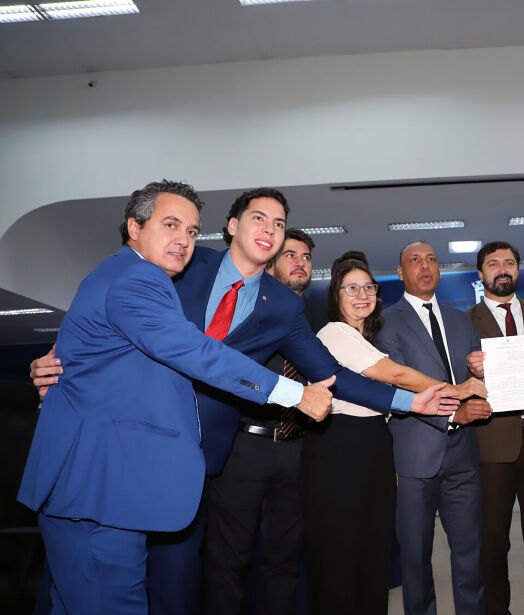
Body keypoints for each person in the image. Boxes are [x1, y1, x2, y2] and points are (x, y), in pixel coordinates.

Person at [29, 188, 456, 615]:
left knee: (173, 588)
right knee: (100, 584)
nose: (269, 229)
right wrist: (61, 360)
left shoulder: (281, 304)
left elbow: (332, 374)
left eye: (279, 223)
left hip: (203, 457)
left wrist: (409, 401)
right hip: (119, 460)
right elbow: (173, 343)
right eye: (258, 218)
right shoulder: (173, 268)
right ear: (232, 226)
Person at [16, 180, 331, 615]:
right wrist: (293, 394)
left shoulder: (126, 276)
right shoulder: (135, 278)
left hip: (104, 491)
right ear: (134, 227)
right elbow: (195, 351)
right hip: (98, 491)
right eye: (170, 225)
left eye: (191, 230)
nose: (183, 239)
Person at [301, 253, 484, 614]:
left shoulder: (365, 339)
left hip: (373, 447)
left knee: (372, 555)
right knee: (342, 556)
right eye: (351, 288)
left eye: (368, 288)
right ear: (336, 295)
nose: (362, 295)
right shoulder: (335, 333)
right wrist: (457, 390)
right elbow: (397, 375)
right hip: (341, 449)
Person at [373, 241, 491, 615]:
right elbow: (399, 385)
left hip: (463, 457)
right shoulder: (384, 322)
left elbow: (478, 378)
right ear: (400, 273)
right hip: (413, 459)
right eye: (415, 260)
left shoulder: (461, 320)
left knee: (470, 555)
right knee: (416, 559)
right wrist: (455, 414)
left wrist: (488, 370)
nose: (425, 266)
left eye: (431, 260)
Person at [203, 228, 315, 615]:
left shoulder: (314, 324)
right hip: (243, 450)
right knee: (227, 561)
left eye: (306, 257)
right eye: (290, 255)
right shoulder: (244, 316)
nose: (300, 262)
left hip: (295, 452)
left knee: (284, 562)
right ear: (269, 265)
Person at [465, 241, 524, 615]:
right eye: (493, 264)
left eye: (509, 263)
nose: (502, 269)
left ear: (518, 269)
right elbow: (454, 381)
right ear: (480, 273)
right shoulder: (464, 321)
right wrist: (470, 368)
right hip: (490, 446)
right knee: (492, 542)